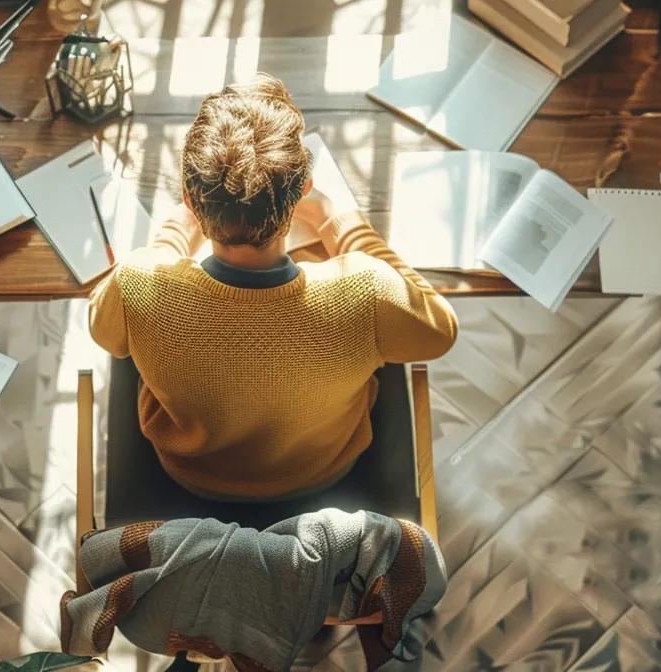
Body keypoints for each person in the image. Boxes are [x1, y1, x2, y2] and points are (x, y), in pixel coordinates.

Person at [88, 73, 457, 502]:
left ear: (191, 199)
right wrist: (341, 221)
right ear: (303, 190)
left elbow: (103, 332)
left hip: (189, 474)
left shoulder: (140, 282)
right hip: (324, 472)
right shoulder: (366, 289)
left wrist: (172, 234)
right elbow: (440, 330)